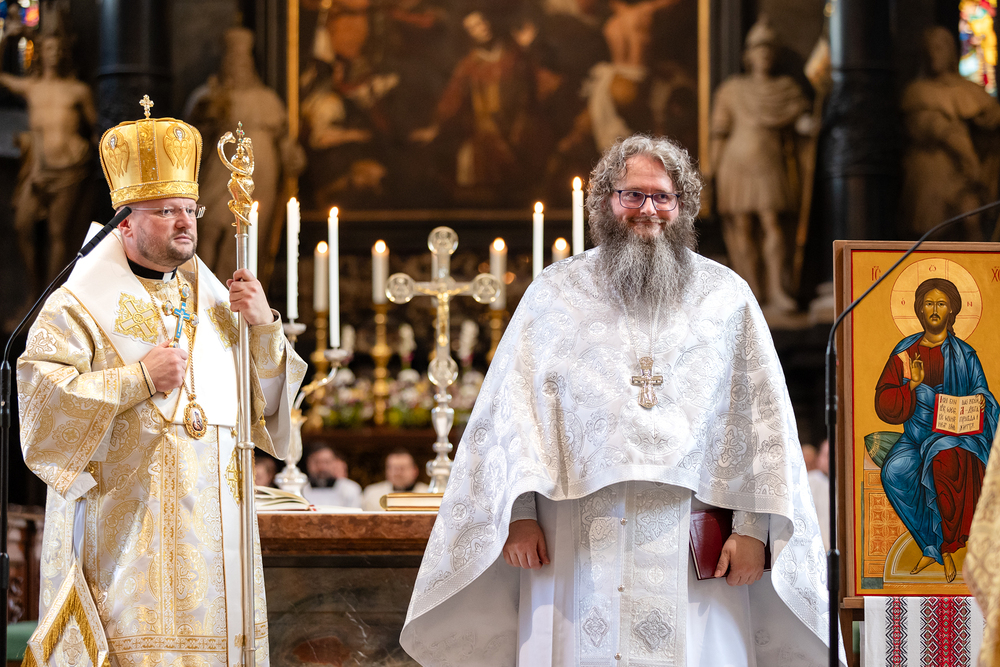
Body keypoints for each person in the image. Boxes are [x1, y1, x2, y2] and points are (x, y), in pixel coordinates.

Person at [400, 134, 840, 666]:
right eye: (633, 194)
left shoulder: (726, 297)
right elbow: (513, 412)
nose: (647, 210)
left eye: (662, 196)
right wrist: (518, 516)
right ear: (606, 201)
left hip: (692, 536)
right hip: (571, 535)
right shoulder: (556, 293)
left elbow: (757, 418)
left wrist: (751, 531)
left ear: (682, 205)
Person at [15, 99, 308, 666]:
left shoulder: (219, 302)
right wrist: (138, 379)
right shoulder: (76, 306)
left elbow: (263, 409)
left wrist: (264, 329)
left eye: (191, 209)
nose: (185, 222)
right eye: (167, 210)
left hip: (215, 553)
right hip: (126, 550)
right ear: (124, 222)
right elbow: (40, 403)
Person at [875, 278, 998, 583]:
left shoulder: (965, 354)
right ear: (919, 310)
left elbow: (981, 390)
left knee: (945, 460)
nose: (934, 309)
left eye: (941, 304)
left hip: (955, 433)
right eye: (928, 303)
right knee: (893, 471)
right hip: (916, 436)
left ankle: (950, 546)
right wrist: (911, 386)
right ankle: (931, 544)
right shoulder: (905, 353)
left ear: (952, 311)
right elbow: (884, 402)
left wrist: (981, 400)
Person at [708, 16, 809, 312]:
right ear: (748, 56)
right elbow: (719, 133)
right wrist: (711, 173)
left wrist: (806, 124)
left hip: (769, 164)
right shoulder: (731, 90)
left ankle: (777, 289)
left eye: (768, 50)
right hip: (734, 166)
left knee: (773, 225)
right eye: (758, 49)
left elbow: (800, 121)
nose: (763, 55)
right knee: (742, 228)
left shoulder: (786, 89)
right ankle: (751, 290)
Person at [0, 33, 96, 298]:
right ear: (40, 53)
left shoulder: (77, 90)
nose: (55, 53)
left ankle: (50, 296)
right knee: (22, 226)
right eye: (50, 48)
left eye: (59, 49)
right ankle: (34, 290)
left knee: (58, 234)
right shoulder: (31, 87)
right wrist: (6, 38)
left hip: (69, 168)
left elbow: (95, 128)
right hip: (37, 170)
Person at [900, 27, 1000, 240]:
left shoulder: (967, 89)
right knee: (932, 231)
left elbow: (991, 117)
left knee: (971, 219)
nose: (933, 54)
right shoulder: (917, 92)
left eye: (939, 48)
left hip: (961, 174)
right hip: (932, 170)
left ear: (951, 52)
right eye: (929, 49)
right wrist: (969, 159)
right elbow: (938, 129)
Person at [361, 449, 430, 511]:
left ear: (415, 470)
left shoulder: (429, 494)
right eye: (393, 468)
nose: (397, 473)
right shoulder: (372, 494)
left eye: (402, 468)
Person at [302, 442, 362, 508]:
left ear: (335, 463)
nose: (322, 468)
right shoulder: (301, 489)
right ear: (308, 464)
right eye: (316, 462)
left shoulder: (349, 489)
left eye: (326, 462)